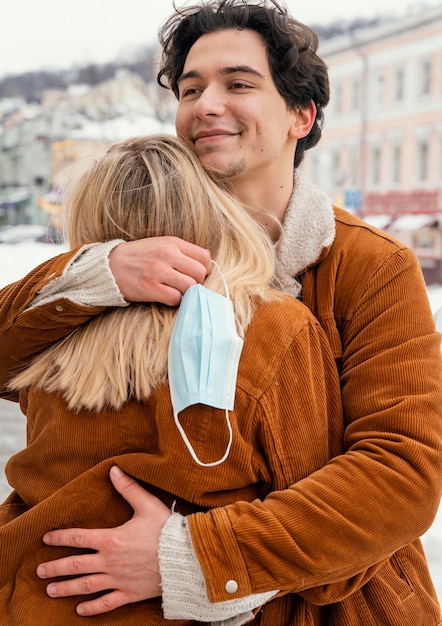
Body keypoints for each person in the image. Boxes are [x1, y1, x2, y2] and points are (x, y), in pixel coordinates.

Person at [1, 0, 441, 624]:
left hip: (321, 604)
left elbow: (402, 472)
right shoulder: (132, 246)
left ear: (301, 115)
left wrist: (194, 558)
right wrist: (98, 274)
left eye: (238, 84)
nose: (206, 104)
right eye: (190, 88)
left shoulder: (369, 265)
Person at [0, 132, 344, 624]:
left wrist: (81, 281)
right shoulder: (273, 329)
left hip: (28, 596)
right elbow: (315, 512)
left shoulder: (49, 335)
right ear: (213, 209)